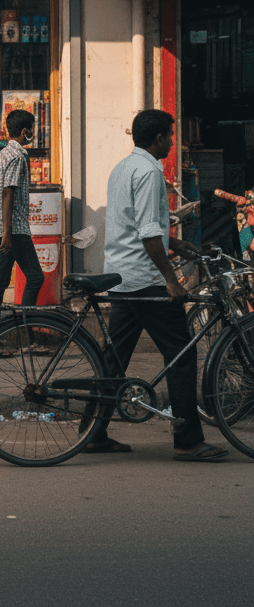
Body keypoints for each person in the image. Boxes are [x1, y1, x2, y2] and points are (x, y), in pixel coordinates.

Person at [83, 108, 227, 460]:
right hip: (145, 280)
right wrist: (171, 281)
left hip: (121, 275)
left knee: (113, 359)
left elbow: (135, 226)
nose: (173, 142)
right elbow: (147, 235)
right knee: (181, 354)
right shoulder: (148, 172)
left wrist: (179, 245)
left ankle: (92, 431)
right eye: (171, 136)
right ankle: (188, 440)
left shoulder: (123, 168)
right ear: (159, 138)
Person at [0, 109, 44, 323]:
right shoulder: (18, 155)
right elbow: (7, 193)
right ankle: (24, 331)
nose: (31, 133)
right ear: (24, 131)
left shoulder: (2, 154)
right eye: (30, 130)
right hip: (15, 230)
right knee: (36, 277)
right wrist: (8, 233)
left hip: (2, 229)